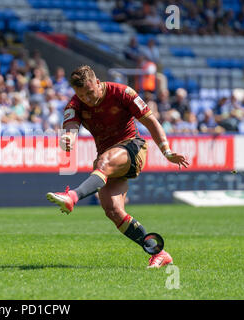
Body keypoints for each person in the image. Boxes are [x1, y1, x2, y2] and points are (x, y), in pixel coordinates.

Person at [46, 65, 189, 268]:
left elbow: (151, 122)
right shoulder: (74, 104)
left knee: (102, 162)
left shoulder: (123, 93)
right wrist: (67, 139)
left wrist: (166, 151)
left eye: (89, 92)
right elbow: (70, 129)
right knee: (113, 210)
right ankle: (159, 253)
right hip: (108, 159)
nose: (87, 98)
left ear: (97, 82)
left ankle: (72, 197)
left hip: (132, 148)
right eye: (81, 95)